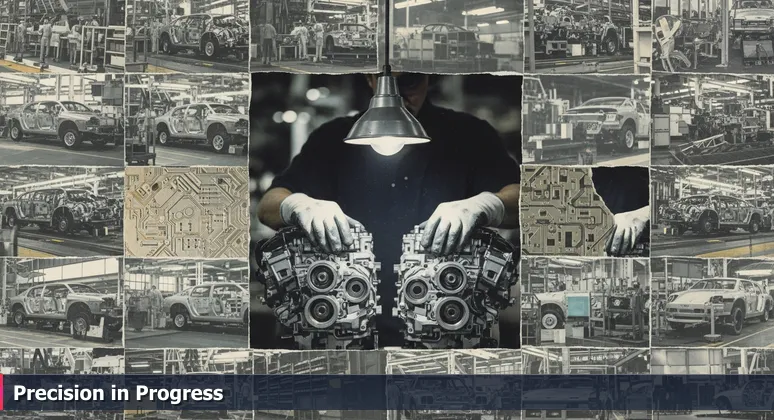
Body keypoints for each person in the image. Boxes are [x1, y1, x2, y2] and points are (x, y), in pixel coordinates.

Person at [256, 73, 521, 346]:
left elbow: (523, 203)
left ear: (428, 77)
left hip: (446, 328)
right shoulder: (333, 138)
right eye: (388, 83)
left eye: (409, 82)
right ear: (371, 79)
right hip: (342, 330)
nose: (399, 95)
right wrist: (299, 205)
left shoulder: (469, 135)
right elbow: (268, 207)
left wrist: (485, 205)